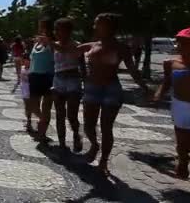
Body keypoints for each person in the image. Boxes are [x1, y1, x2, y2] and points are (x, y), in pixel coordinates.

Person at [77, 13, 148, 175]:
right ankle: (95, 145)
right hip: (92, 88)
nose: (95, 27)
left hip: (111, 89)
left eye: (98, 24)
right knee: (88, 125)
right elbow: (72, 51)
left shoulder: (121, 47)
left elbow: (132, 69)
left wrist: (145, 87)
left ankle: (103, 161)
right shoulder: (92, 45)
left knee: (106, 127)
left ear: (109, 26)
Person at [153, 27, 190, 179]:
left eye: (185, 43)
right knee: (181, 140)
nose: (179, 45)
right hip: (180, 106)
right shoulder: (170, 63)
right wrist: (158, 93)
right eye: (179, 42)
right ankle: (182, 162)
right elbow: (167, 82)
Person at [50, 18, 84, 152]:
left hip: (72, 80)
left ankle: (76, 135)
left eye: (59, 29)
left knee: (71, 115)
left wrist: (85, 82)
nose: (56, 32)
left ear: (68, 31)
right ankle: (62, 144)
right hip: (58, 79)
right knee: (59, 114)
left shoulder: (76, 44)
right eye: (55, 29)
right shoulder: (55, 45)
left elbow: (65, 51)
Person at [28, 18, 55, 143]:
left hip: (47, 76)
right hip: (34, 76)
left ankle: (42, 131)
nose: (40, 29)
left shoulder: (52, 43)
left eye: (43, 26)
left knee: (46, 106)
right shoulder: (37, 42)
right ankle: (43, 121)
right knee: (33, 106)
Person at [20, 56, 33, 132]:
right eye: (25, 60)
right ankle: (28, 120)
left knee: (30, 106)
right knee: (26, 105)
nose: (27, 62)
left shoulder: (33, 69)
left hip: (31, 89)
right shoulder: (22, 68)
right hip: (24, 89)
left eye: (28, 61)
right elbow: (21, 79)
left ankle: (29, 121)